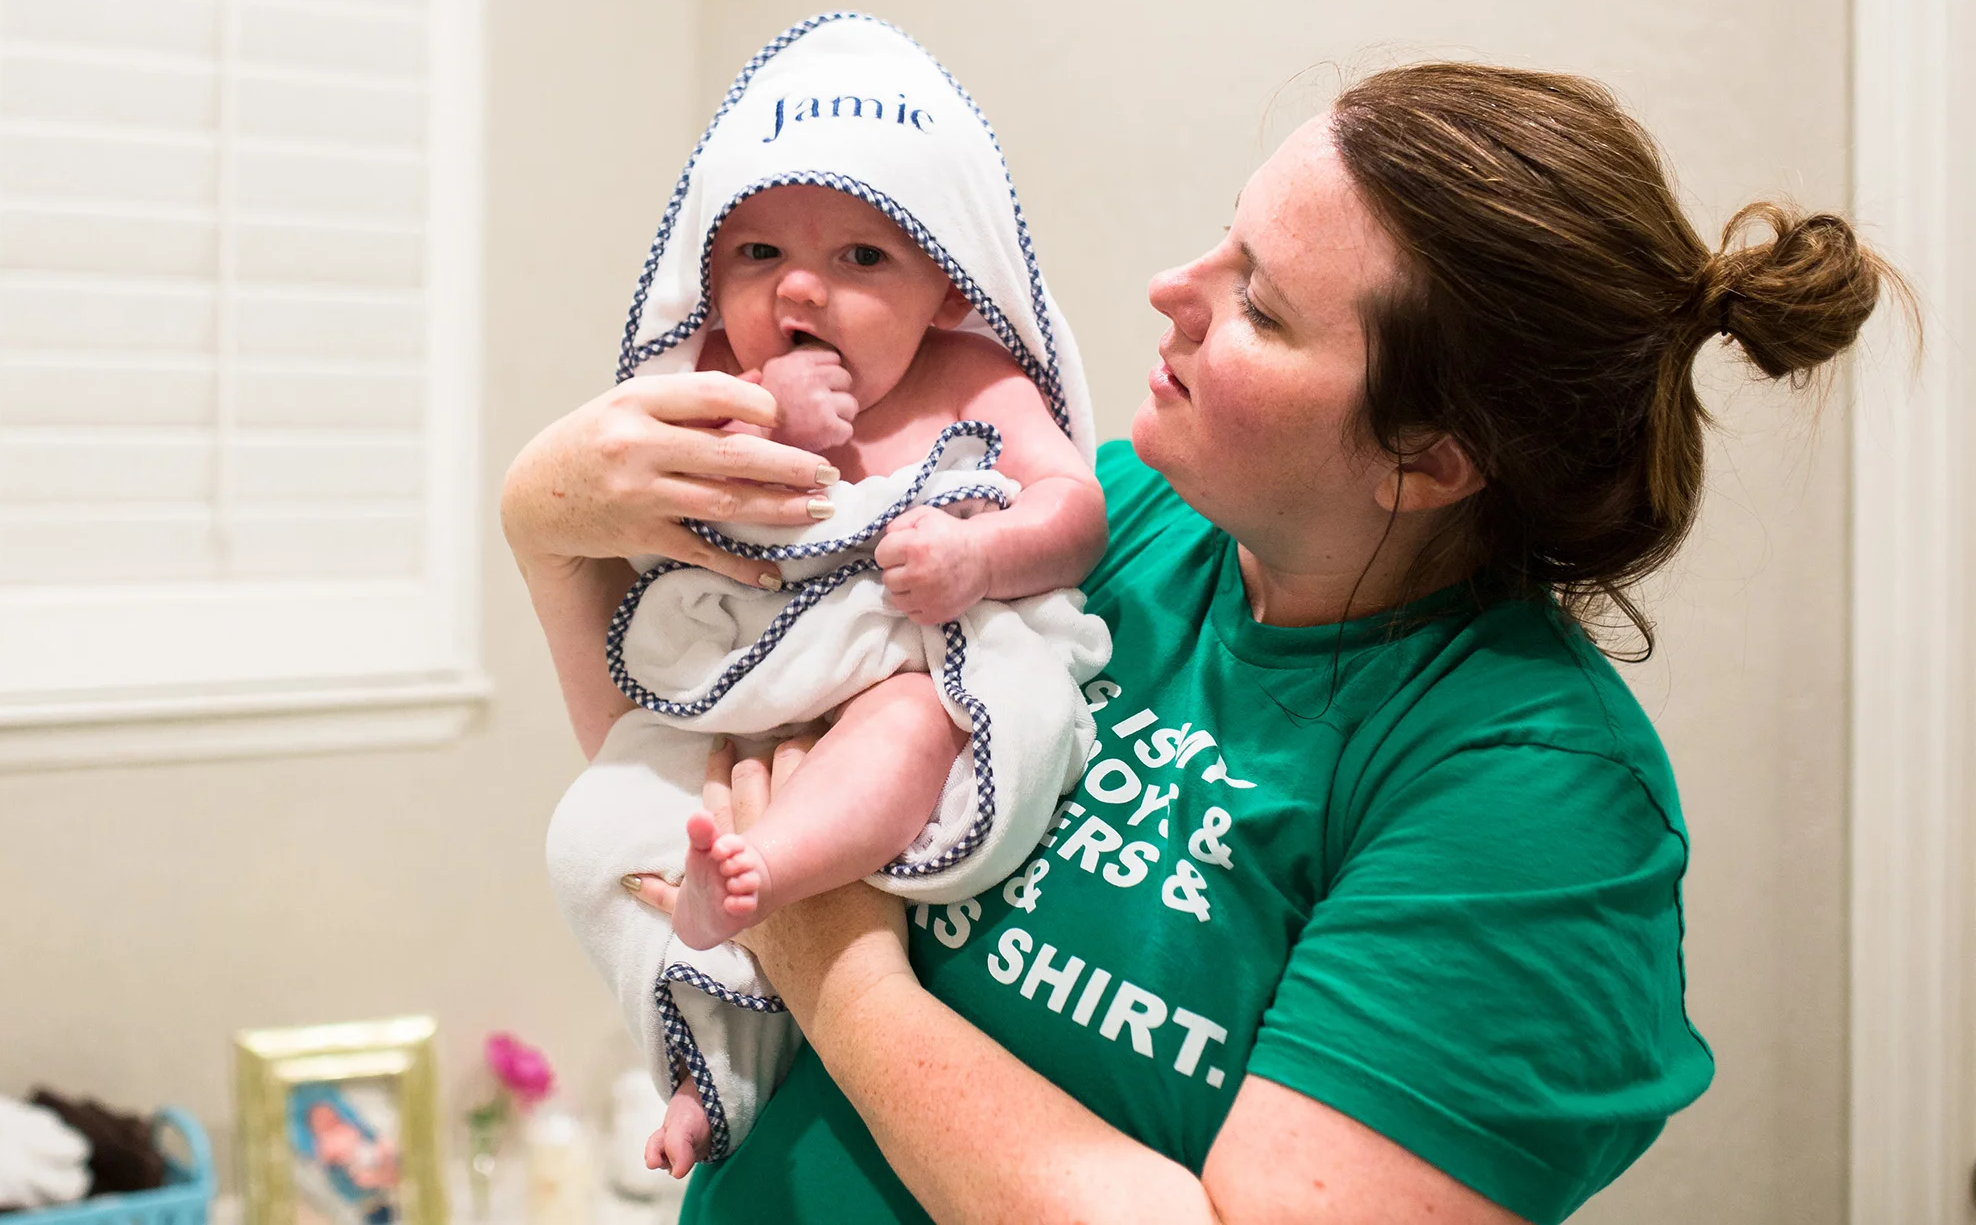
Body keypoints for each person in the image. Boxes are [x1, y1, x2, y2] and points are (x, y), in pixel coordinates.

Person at [503, 61, 1899, 1223]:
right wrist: (540, 525)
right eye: (1227, 238)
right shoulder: (1112, 523)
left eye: (1260, 303)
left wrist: (840, 969)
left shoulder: (1534, 799)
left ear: (1428, 457)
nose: (1176, 285)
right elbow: (715, 757)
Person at [536, 15, 1112, 1181]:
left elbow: (1073, 509)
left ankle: (773, 876)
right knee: (609, 819)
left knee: (906, 725)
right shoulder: (711, 384)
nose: (801, 284)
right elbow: (673, 535)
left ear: (948, 284)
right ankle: (707, 1070)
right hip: (750, 683)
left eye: (861, 258)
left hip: (907, 659)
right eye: (756, 257)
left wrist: (980, 561)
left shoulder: (975, 376)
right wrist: (768, 427)